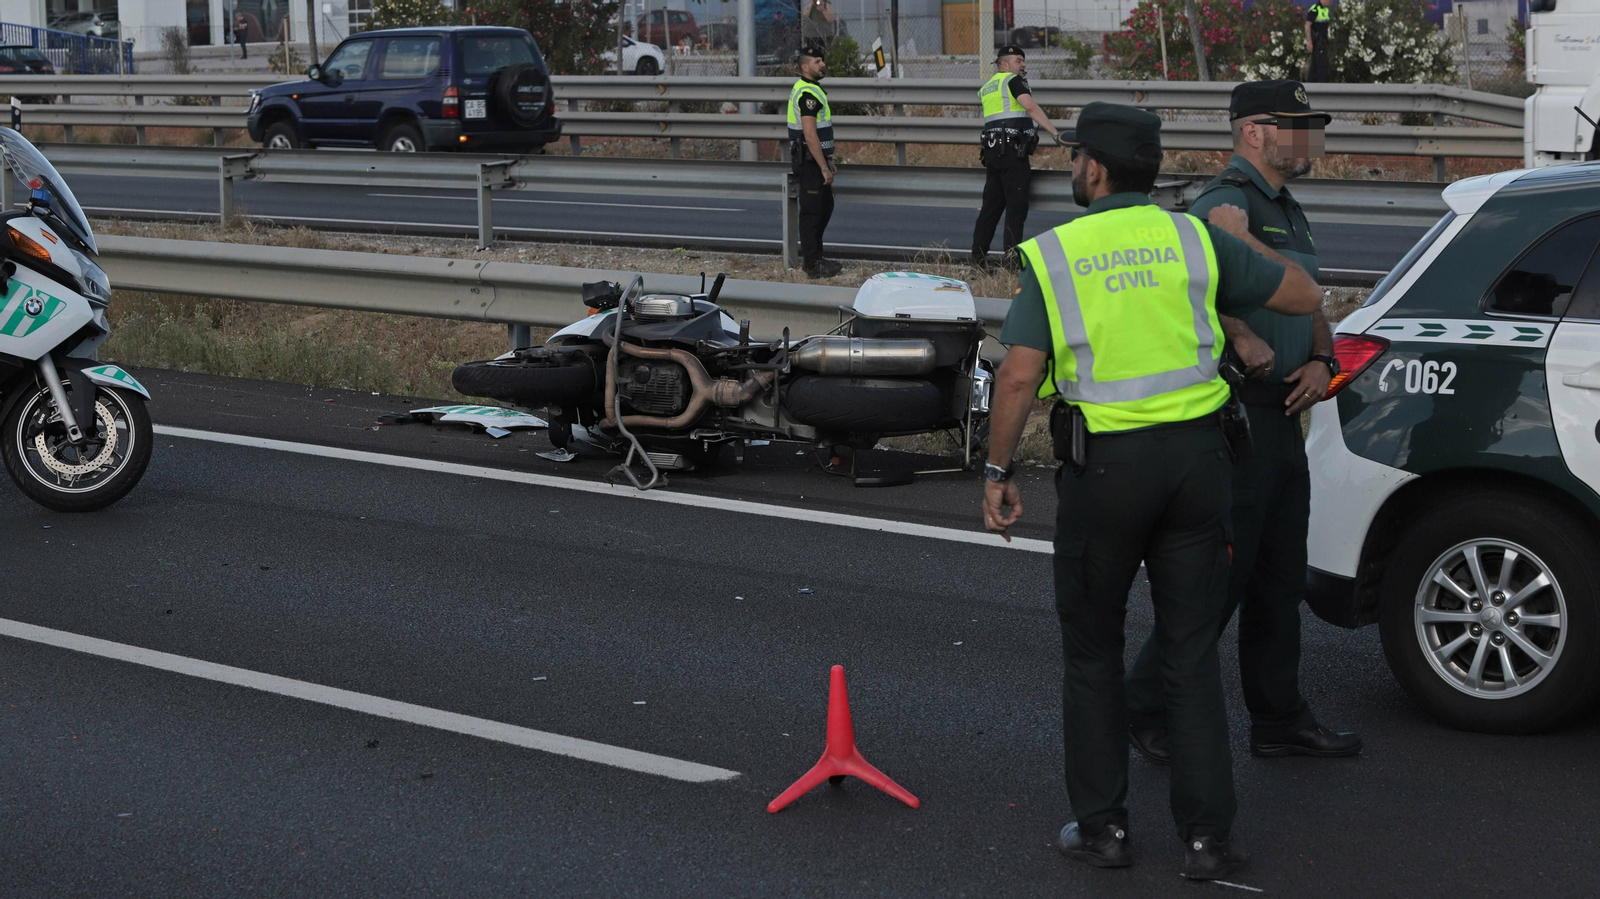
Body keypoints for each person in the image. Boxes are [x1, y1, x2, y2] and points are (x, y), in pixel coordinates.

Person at [980, 101, 1322, 880]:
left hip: (1107, 474)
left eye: (1074, 159)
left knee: (1094, 651)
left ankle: (1104, 829)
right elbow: (1302, 296)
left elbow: (1020, 376)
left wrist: (998, 472)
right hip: (1201, 468)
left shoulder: (1058, 251)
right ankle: (1209, 839)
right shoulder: (1193, 238)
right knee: (1191, 653)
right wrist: (1238, 252)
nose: (1072, 170)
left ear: (1094, 167)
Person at [1124, 79, 1362, 767]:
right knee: (1218, 582)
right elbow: (1184, 284)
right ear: (1253, 131)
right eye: (1293, 125)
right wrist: (1237, 331)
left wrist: (1322, 356)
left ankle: (1279, 718)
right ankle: (1147, 703)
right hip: (1239, 421)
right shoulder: (1224, 203)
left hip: (1287, 417)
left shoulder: (1284, 206)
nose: (1305, 138)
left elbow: (1303, 288)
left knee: (1279, 582)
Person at [970, 45, 1063, 272]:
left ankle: (978, 261)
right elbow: (1030, 107)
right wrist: (1055, 133)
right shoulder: (1013, 81)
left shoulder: (988, 87)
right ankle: (1013, 264)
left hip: (992, 152)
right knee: (1016, 208)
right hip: (1012, 152)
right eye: (1018, 60)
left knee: (991, 208)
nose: (1023, 65)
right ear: (1005, 64)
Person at [788, 45, 840, 278]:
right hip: (809, 162)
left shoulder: (812, 89)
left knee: (824, 207)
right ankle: (812, 265)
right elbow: (810, 135)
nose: (823, 65)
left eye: (822, 61)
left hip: (816, 160)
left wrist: (828, 159)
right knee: (811, 214)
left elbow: (820, 131)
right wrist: (822, 167)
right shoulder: (807, 94)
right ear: (805, 66)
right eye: (818, 61)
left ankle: (817, 258)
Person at [1305, 1, 1331, 82]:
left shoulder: (1326, 10)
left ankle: (1311, 86)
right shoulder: (1315, 9)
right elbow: (1307, 25)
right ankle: (1319, 87)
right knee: (1320, 66)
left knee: (1316, 65)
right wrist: (1309, 41)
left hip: (1324, 42)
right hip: (1317, 42)